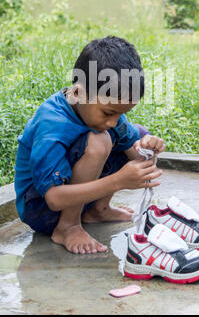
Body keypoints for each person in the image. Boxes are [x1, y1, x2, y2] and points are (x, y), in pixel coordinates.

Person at [15, 36, 165, 255]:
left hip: (77, 197)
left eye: (121, 113)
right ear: (78, 93)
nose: (114, 120)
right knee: (100, 139)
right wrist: (117, 181)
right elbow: (54, 198)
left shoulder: (102, 110)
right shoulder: (51, 124)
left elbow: (134, 152)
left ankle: (97, 211)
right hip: (42, 209)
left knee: (137, 134)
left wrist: (147, 149)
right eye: (108, 112)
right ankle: (68, 227)